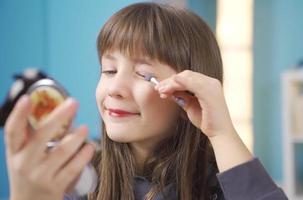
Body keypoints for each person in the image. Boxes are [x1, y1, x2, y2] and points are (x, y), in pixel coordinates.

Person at [4, 2, 288, 200]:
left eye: (142, 74)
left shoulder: (224, 184)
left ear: (189, 93)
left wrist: (223, 133)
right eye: (109, 70)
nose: (115, 88)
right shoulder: (79, 179)